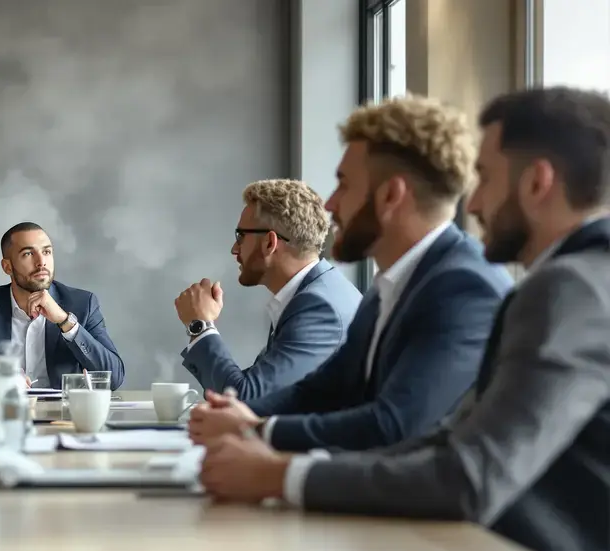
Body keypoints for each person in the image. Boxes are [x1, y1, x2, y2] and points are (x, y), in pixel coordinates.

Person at [196, 86, 610, 551]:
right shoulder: (565, 283)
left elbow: (459, 467)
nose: (475, 201)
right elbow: (446, 433)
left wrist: (278, 472)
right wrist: (258, 432)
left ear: (538, 183)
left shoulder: (566, 289)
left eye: (485, 178)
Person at [188, 95, 514, 453]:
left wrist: (258, 431)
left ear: (390, 195)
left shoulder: (464, 288)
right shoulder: (390, 285)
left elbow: (393, 426)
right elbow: (322, 390)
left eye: (343, 184)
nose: (330, 204)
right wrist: (239, 418)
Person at [176, 179, 360, 400]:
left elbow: (245, 398)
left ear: (269, 243)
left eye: (241, 236)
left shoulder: (319, 307)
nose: (234, 249)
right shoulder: (312, 294)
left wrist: (200, 325)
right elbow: (250, 387)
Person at [0, 221, 126, 390]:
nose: (41, 262)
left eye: (46, 252)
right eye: (28, 254)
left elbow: (114, 377)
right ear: (7, 267)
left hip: (63, 415)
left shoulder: (83, 304)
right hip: (4, 414)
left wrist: (65, 322)